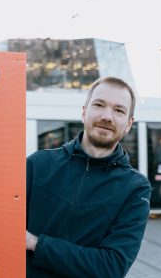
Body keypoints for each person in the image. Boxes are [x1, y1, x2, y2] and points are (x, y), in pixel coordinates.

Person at [26, 77, 151, 278]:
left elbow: (111, 268)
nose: (107, 116)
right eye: (99, 105)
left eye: (119, 110)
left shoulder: (136, 188)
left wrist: (35, 244)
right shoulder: (37, 164)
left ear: (128, 124)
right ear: (84, 112)